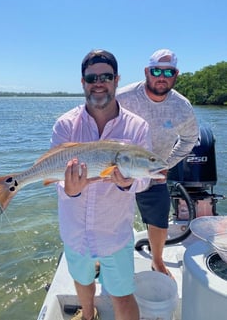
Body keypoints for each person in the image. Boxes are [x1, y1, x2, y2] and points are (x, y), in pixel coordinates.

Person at [50, 49, 152, 320]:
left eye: (106, 76)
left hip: (113, 231)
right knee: (82, 281)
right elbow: (56, 175)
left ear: (117, 80)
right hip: (74, 229)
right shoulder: (65, 124)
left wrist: (129, 184)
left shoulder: (138, 127)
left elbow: (143, 178)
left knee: (121, 293)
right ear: (83, 82)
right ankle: (87, 315)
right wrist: (68, 189)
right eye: (92, 77)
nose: (99, 82)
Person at [117, 48, 199, 277]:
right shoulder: (122, 97)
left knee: (159, 219)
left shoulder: (182, 107)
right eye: (156, 70)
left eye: (168, 72)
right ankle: (102, 257)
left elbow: (190, 138)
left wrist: (167, 163)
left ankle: (157, 260)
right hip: (119, 168)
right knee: (108, 215)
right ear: (146, 71)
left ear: (176, 75)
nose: (161, 77)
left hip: (155, 170)